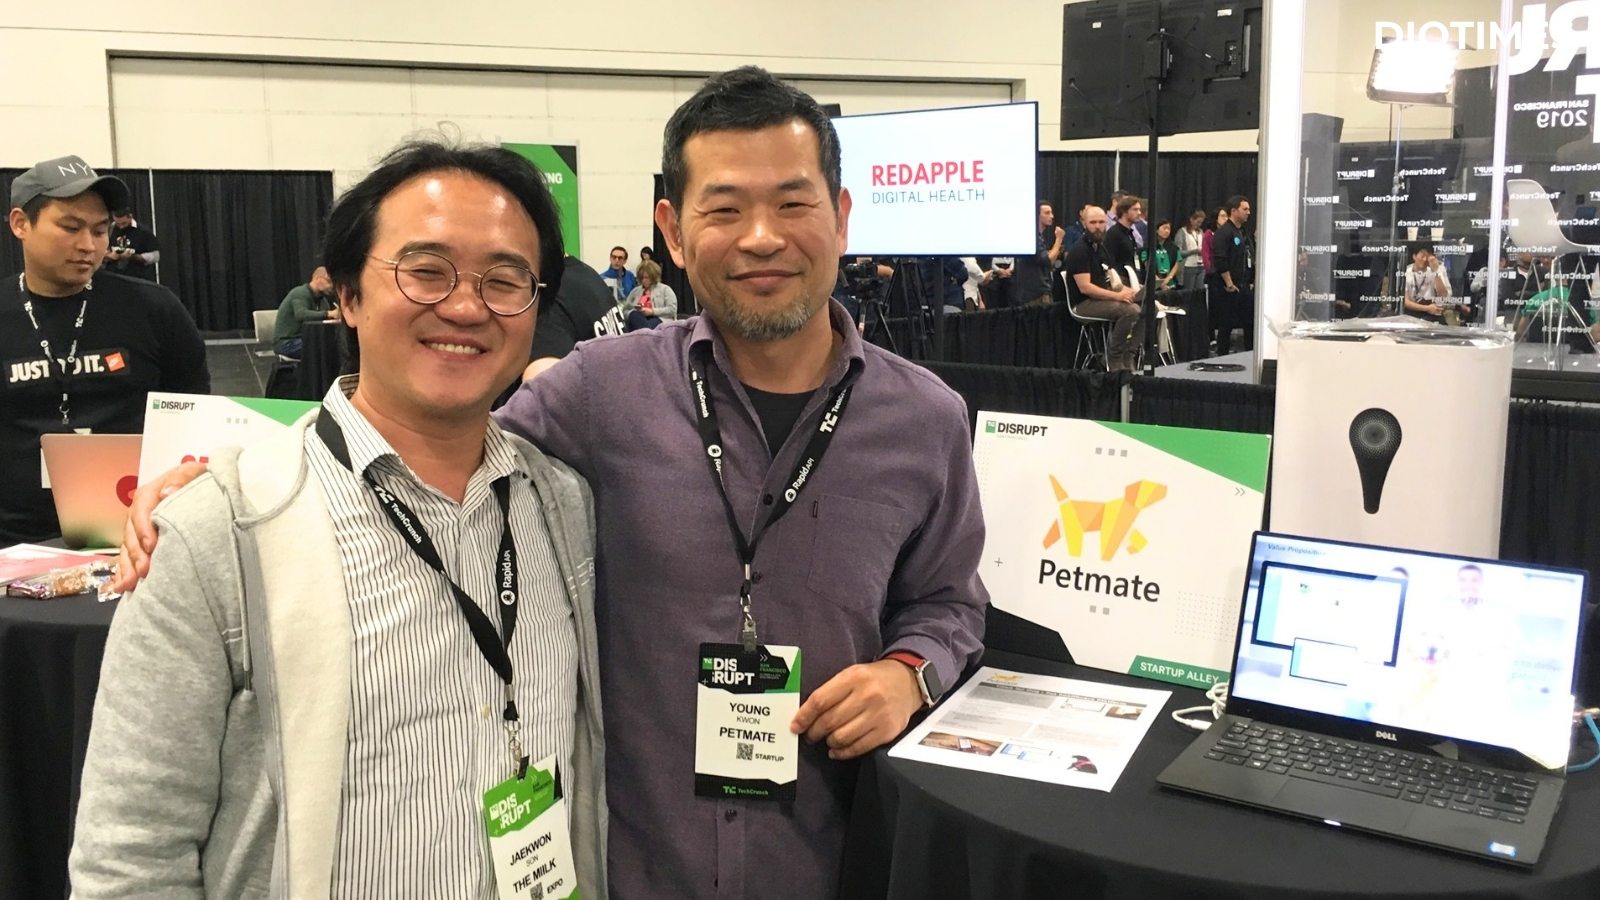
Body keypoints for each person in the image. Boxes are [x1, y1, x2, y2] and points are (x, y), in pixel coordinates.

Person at [116, 66, 988, 900]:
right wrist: (228, 470)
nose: (762, 236)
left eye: (793, 203)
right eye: (724, 208)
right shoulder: (602, 391)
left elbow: (949, 599)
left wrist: (909, 673)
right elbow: (425, 430)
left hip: (824, 856)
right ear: (674, 231)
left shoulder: (925, 420)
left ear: (840, 214)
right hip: (631, 866)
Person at [71, 141, 609, 898]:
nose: (466, 307)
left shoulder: (564, 506)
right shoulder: (220, 532)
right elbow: (130, 858)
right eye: (426, 270)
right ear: (348, 296)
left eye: (503, 280)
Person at [1, 154, 208, 546]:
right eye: (70, 227)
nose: (88, 245)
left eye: (100, 231)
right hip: (17, 543)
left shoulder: (154, 308)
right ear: (20, 224)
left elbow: (194, 414)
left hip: (140, 535)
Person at [1063, 205, 1144, 371]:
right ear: (1084, 223)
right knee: (1131, 311)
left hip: (1102, 297)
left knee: (1150, 307)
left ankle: (1129, 354)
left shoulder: (1100, 248)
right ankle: (1114, 358)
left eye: (1101, 222)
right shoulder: (1080, 251)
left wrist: (1128, 291)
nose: (1098, 226)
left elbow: (1110, 277)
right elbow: (1086, 288)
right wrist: (1118, 296)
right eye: (1093, 222)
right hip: (1084, 303)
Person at [1210, 195, 1254, 355]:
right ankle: (1222, 356)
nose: (1248, 212)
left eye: (1249, 209)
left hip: (1243, 286)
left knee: (1249, 322)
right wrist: (1229, 283)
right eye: (1245, 209)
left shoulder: (1242, 232)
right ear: (1234, 211)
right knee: (1226, 324)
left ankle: (1249, 354)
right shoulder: (1224, 232)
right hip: (1228, 287)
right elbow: (1220, 259)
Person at [271, 265, 340, 358]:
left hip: (302, 339)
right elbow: (301, 314)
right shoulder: (300, 293)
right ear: (318, 279)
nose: (331, 286)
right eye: (329, 282)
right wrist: (329, 313)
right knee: (322, 348)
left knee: (331, 345)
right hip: (286, 342)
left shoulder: (322, 300)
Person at [1013, 200, 1065, 306]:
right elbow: (1048, 260)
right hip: (1036, 294)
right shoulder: (1032, 237)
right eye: (1047, 213)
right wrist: (1059, 239)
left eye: (1051, 213)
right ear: (1037, 215)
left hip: (1038, 291)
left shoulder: (1039, 237)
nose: (1052, 216)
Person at [1402, 241, 1454, 323]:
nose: (1425, 260)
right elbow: (1405, 302)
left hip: (1432, 312)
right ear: (1414, 256)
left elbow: (1443, 295)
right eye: (1422, 256)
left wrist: (1436, 272)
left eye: (1428, 257)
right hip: (1412, 312)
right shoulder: (1405, 272)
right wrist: (1427, 308)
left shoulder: (1438, 271)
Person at [621, 258, 679, 330]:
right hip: (638, 319)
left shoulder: (665, 289)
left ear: (653, 276)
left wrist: (652, 312)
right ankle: (647, 334)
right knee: (634, 314)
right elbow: (625, 311)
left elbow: (672, 310)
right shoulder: (635, 291)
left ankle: (645, 333)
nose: (644, 280)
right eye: (642, 278)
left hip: (659, 319)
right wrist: (634, 311)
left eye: (646, 278)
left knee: (652, 323)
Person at [105, 207, 160, 281]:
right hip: (113, 277)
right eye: (118, 224)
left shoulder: (144, 232)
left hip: (136, 278)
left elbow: (156, 256)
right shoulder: (109, 230)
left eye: (124, 223)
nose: (121, 227)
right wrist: (109, 255)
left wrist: (133, 257)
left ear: (130, 216)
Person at [1104, 194, 1144, 287]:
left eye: (1139, 209)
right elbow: (1109, 262)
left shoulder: (1130, 233)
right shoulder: (1113, 233)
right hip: (1121, 283)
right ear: (1124, 212)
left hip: (1132, 280)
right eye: (1135, 209)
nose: (1139, 213)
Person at [1177, 209, 1207, 292]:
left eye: (1201, 222)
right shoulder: (1182, 232)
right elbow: (1179, 252)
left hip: (1201, 266)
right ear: (1191, 219)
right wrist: (1195, 251)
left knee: (1200, 292)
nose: (1199, 224)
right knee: (1189, 292)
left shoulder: (1200, 232)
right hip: (1188, 266)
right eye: (1198, 222)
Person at [1150, 219, 1180, 291]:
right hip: (1153, 283)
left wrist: (1168, 279)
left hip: (1170, 282)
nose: (1167, 231)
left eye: (1168, 229)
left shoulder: (1174, 247)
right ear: (1157, 230)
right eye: (1164, 228)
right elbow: (1147, 265)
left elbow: (1176, 264)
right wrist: (1159, 283)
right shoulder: (1149, 246)